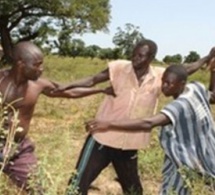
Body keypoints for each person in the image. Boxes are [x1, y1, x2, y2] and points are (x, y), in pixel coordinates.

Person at [62, 39, 215, 195]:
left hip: (129, 143)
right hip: (102, 138)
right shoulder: (119, 68)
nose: (135, 58)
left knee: (133, 190)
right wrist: (64, 86)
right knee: (77, 185)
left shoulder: (160, 76)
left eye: (141, 56)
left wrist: (207, 58)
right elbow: (92, 80)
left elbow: (185, 69)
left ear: (151, 58)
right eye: (134, 54)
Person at [0, 41, 109, 193]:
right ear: (20, 64)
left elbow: (69, 92)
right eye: (37, 65)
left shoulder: (38, 85)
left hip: (19, 148)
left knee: (37, 188)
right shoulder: (1, 81)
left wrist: (101, 90)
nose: (41, 69)